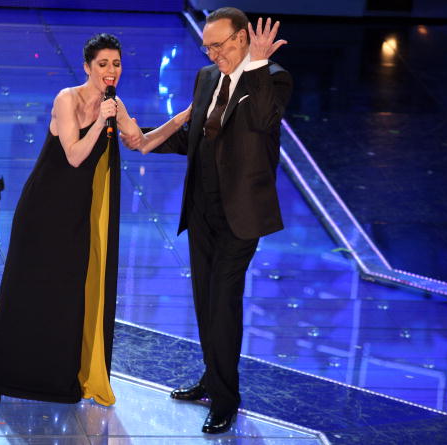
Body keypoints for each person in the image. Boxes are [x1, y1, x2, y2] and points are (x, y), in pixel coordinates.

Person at [122, 7, 292, 434]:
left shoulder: (271, 79)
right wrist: (144, 140)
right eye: (207, 46)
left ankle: (226, 398)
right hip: (201, 211)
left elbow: (261, 120)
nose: (212, 53)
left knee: (223, 303)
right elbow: (192, 135)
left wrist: (255, 65)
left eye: (218, 45)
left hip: (241, 217)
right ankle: (211, 380)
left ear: (241, 39)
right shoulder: (206, 79)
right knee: (204, 303)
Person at [0, 33, 147, 405]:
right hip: (44, 210)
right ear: (88, 67)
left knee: (66, 296)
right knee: (25, 292)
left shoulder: (114, 105)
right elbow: (74, 155)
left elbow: (139, 140)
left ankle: (56, 381)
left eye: (117, 64)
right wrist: (102, 122)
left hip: (78, 215)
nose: (111, 70)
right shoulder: (66, 99)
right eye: (103, 64)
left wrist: (186, 116)